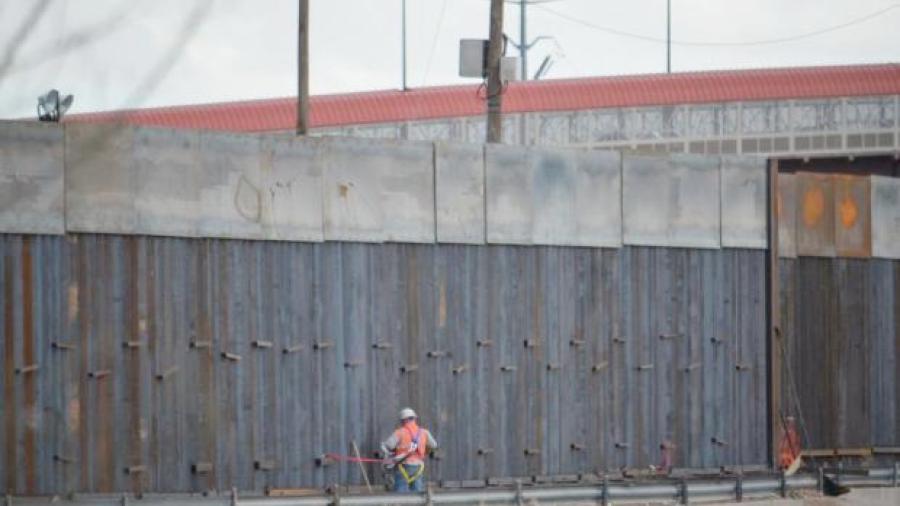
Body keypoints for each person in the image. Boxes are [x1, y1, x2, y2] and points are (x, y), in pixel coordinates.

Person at [380, 407, 438, 492]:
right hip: (418, 467)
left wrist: (385, 449)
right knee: (417, 494)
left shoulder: (400, 432)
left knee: (401, 494)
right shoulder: (424, 432)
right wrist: (424, 449)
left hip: (403, 466)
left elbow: (388, 446)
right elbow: (434, 445)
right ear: (414, 419)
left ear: (404, 420)